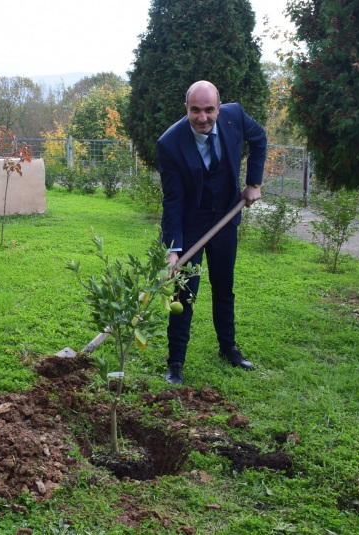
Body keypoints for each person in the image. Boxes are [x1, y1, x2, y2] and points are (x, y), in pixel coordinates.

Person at [158, 80, 267, 384]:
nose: (202, 117)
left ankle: (228, 348)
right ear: (186, 108)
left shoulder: (235, 116)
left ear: (219, 107)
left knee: (223, 287)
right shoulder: (170, 143)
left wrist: (254, 183)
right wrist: (173, 249)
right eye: (195, 110)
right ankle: (175, 362)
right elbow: (173, 199)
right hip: (191, 223)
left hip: (225, 219)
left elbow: (259, 139)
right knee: (184, 292)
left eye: (209, 109)